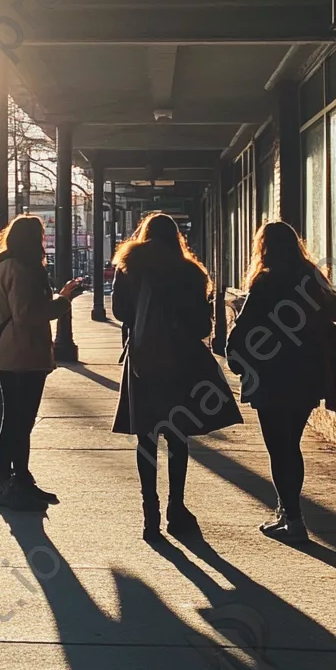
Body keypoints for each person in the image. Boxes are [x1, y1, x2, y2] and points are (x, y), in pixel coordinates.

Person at [111, 212, 242, 541]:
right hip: (180, 363)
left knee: (145, 438)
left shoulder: (128, 267)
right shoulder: (190, 272)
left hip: (142, 362)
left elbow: (120, 313)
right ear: (176, 238)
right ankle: (176, 508)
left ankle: (149, 513)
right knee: (177, 437)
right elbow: (202, 326)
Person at [226, 221, 336, 544]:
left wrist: (232, 353)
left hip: (271, 374)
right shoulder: (312, 277)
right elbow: (333, 308)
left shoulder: (266, 282)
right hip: (307, 374)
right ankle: (287, 512)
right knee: (292, 446)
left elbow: (244, 328)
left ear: (265, 248)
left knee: (279, 449)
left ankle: (293, 519)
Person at [0, 214, 84, 511]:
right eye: (41, 236)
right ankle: (9, 483)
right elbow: (27, 314)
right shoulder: (21, 269)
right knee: (20, 420)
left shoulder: (2, 265)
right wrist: (65, 299)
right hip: (23, 354)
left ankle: (17, 479)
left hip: (7, 353)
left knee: (15, 420)